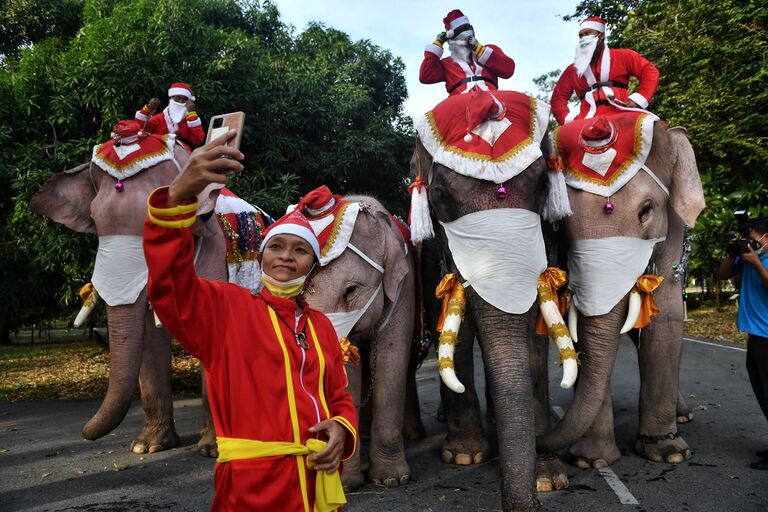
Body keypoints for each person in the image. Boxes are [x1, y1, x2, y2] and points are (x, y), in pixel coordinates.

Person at [143, 130, 357, 511]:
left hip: (319, 487)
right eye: (276, 245)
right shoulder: (227, 309)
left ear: (313, 266)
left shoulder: (322, 327)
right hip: (252, 491)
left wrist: (343, 430)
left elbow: (338, 396)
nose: (286, 256)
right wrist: (178, 197)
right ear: (261, 256)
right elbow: (170, 288)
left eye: (300, 250)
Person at [717, 217, 768, 471]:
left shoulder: (758, 261)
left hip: (767, 338)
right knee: (763, 391)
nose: (753, 245)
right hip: (756, 336)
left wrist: (758, 264)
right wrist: (733, 253)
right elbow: (722, 274)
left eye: (756, 240)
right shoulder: (746, 258)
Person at [550, 16, 660, 125]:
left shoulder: (623, 56)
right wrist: (567, 119)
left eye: (588, 33)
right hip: (585, 118)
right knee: (563, 136)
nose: (583, 38)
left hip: (622, 111)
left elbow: (649, 72)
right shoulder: (572, 70)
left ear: (601, 36)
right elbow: (558, 97)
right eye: (581, 35)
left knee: (650, 129)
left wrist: (638, 100)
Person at [419, 9, 515, 96]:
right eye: (459, 31)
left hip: (492, 101)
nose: (465, 33)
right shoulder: (447, 63)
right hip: (460, 106)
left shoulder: (489, 50)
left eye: (467, 28)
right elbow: (426, 76)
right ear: (451, 37)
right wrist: (437, 44)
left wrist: (479, 49)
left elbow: (508, 70)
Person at [135, 82, 205, 147]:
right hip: (157, 154)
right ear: (171, 98)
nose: (180, 101)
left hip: (182, 154)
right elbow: (139, 132)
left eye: (184, 99)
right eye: (178, 98)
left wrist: (192, 114)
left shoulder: (189, 120)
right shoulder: (158, 119)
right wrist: (147, 109)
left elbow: (199, 139)